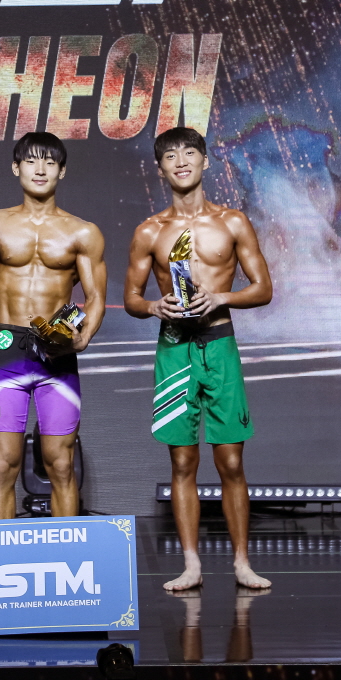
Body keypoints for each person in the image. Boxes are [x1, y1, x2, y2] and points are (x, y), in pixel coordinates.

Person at [124, 127, 273, 591]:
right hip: (174, 348)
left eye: (190, 152)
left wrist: (221, 297)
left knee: (231, 461)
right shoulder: (149, 230)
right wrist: (154, 307)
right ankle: (191, 565)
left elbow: (263, 289)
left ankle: (242, 563)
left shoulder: (233, 222)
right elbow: (131, 297)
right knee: (182, 462)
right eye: (170, 156)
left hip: (220, 343)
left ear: (205, 161)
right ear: (160, 168)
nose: (181, 161)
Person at [0, 132, 106, 519]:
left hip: (57, 352)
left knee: (62, 464)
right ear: (16, 167)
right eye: (31, 161)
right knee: (3, 465)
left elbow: (95, 296)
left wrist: (84, 337)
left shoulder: (82, 232)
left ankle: (67, 551)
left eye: (50, 162)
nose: (40, 169)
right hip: (9, 349)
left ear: (62, 171)